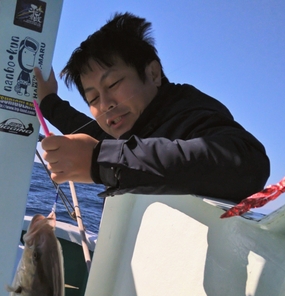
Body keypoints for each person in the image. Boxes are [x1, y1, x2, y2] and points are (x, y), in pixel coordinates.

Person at [34, 12, 270, 201]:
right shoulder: (130, 128)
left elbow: (247, 161)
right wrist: (48, 101)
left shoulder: (187, 110)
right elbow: (88, 131)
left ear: (153, 73)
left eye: (113, 83)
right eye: (93, 99)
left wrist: (102, 162)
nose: (105, 105)